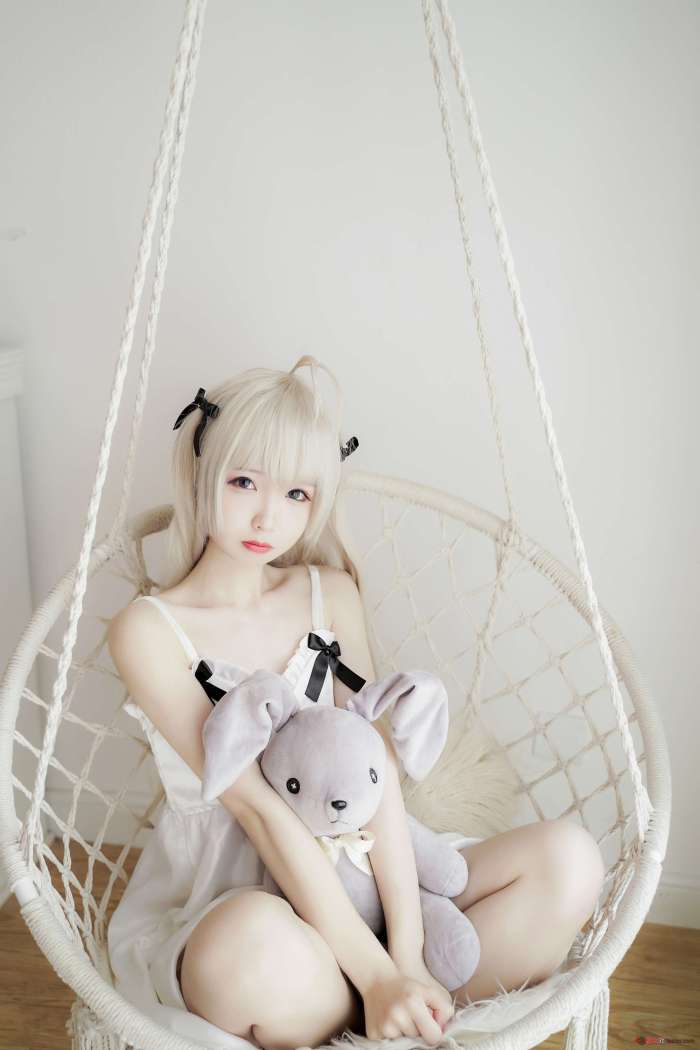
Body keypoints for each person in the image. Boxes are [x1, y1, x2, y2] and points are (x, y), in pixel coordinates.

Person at [106, 355, 605, 1050]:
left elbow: (379, 775)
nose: (268, 515)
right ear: (201, 473)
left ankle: (407, 1007)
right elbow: (257, 808)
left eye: (297, 494)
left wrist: (406, 956)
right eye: (244, 481)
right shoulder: (149, 630)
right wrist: (375, 977)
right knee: (245, 947)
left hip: (370, 878)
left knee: (569, 861)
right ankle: (371, 1009)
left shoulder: (328, 593)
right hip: (246, 903)